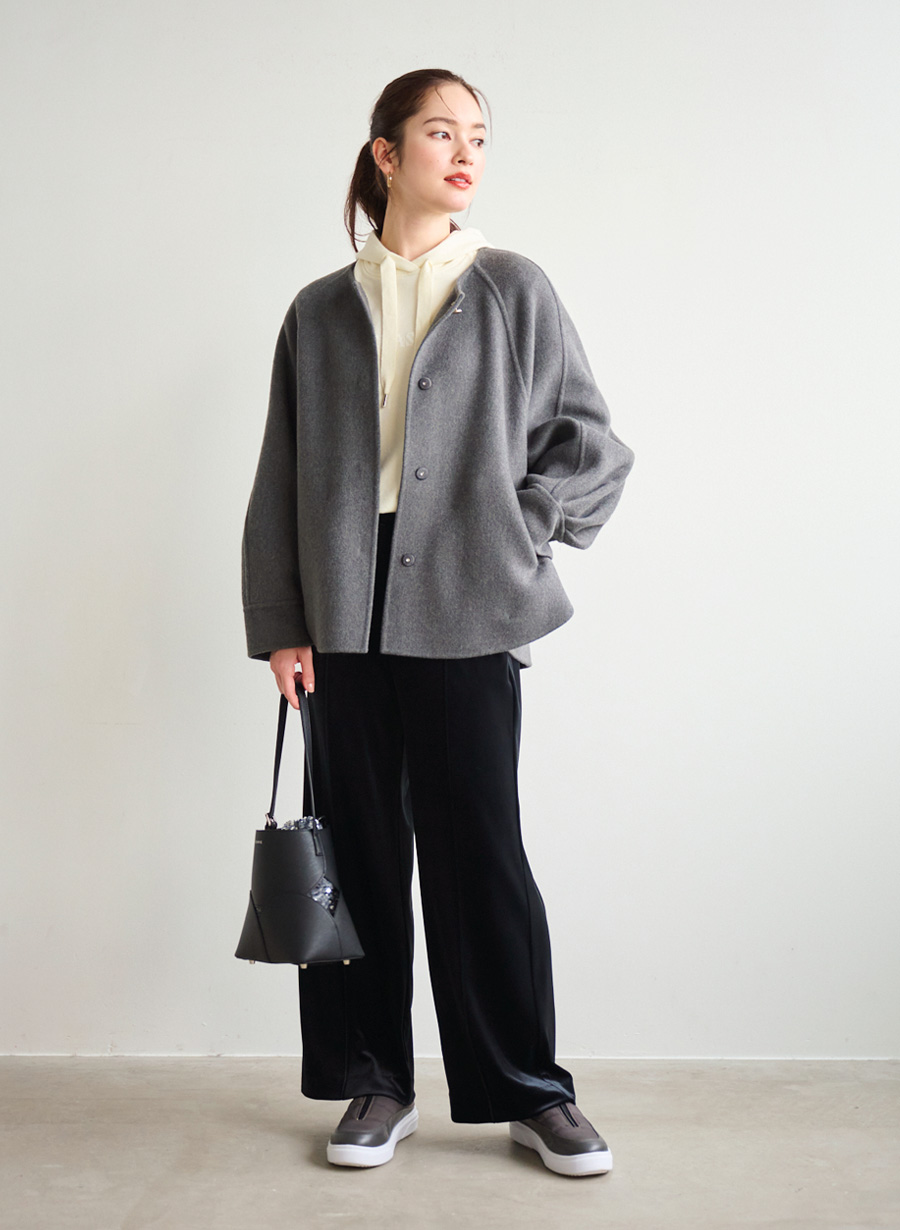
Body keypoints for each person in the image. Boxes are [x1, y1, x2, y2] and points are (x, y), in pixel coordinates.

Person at [241, 68, 634, 1178]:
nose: (465, 155)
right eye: (440, 133)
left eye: (479, 138)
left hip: (469, 607)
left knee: (482, 856)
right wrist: (281, 621)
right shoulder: (319, 310)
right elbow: (279, 476)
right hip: (343, 617)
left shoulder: (513, 287)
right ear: (386, 152)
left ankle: (529, 1089)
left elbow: (591, 445)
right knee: (359, 859)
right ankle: (375, 1081)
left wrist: (520, 529)